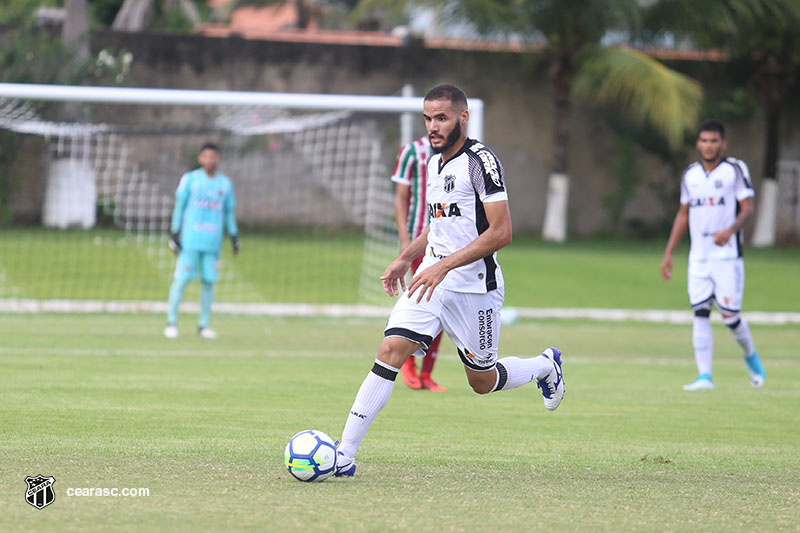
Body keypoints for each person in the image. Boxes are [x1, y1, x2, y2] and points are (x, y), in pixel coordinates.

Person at [334, 84, 564, 477]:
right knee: (390, 349)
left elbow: (501, 232)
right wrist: (405, 258)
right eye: (428, 118)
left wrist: (443, 267)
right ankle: (345, 455)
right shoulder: (432, 164)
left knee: (482, 381)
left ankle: (544, 366)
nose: (432, 126)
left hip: (475, 288)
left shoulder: (481, 162)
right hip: (430, 280)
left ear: (463, 117)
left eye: (441, 117)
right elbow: (438, 227)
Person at [660, 119, 765, 390]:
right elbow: (683, 214)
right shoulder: (690, 175)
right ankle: (704, 376)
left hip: (726, 256)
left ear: (723, 143)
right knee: (700, 311)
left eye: (714, 141)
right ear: (698, 143)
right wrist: (669, 252)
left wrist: (730, 230)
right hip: (699, 256)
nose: (708, 146)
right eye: (704, 141)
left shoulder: (734, 170)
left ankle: (750, 355)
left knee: (730, 317)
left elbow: (748, 208)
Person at [164, 142, 239, 339]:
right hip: (191, 240)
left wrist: (234, 237)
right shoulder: (190, 180)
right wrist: (175, 232)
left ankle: (203, 325)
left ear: (218, 159)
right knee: (181, 280)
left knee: (209, 282)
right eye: (206, 156)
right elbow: (180, 207)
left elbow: (229, 213)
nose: (209, 160)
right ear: (200, 159)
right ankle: (172, 322)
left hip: (212, 242)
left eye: (213, 156)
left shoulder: (225, 184)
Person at [392, 135, 446, 392]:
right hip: (419, 241)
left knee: (443, 306)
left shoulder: (462, 155)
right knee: (422, 303)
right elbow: (401, 198)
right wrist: (405, 241)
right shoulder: (412, 152)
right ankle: (408, 365)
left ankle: (427, 373)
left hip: (447, 245)